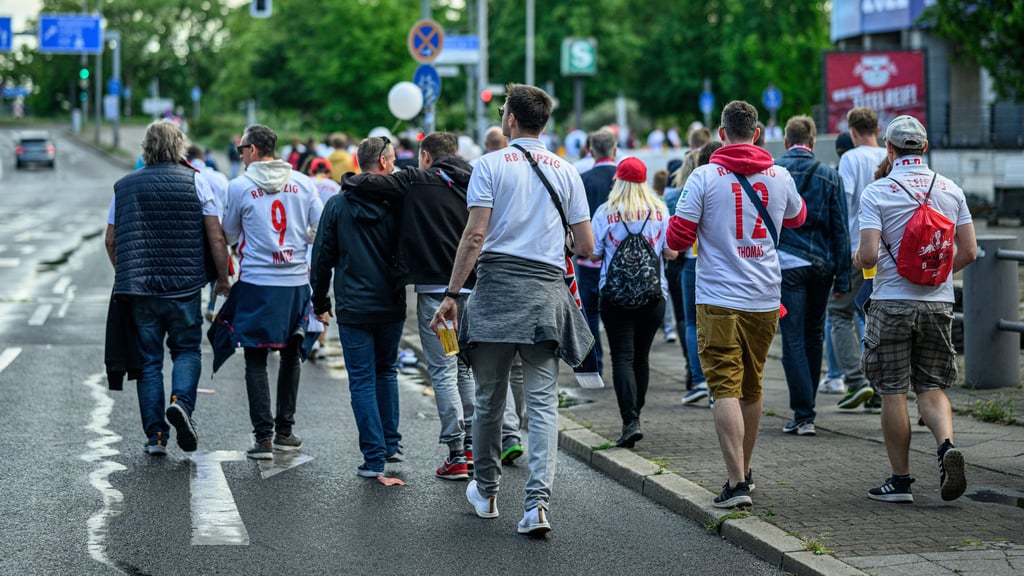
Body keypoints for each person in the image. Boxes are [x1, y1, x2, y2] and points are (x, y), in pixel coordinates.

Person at [430, 83, 595, 536]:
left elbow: (475, 236)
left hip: (497, 291)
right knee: (541, 406)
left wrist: (451, 293)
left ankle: (486, 492)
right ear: (543, 121)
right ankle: (537, 506)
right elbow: (585, 246)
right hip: (545, 295)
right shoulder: (567, 170)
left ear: (510, 120)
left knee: (488, 400)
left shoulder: (489, 166)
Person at [667, 101, 806, 508]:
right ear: (758, 133)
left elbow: (678, 237)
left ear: (722, 134)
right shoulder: (780, 176)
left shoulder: (704, 177)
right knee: (752, 385)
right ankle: (745, 468)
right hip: (765, 297)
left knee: (723, 386)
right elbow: (798, 218)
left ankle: (736, 482)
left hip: (718, 297)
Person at [338, 132, 479, 480]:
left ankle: (457, 452)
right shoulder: (476, 179)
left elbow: (369, 184)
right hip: (474, 291)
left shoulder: (417, 180)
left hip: (438, 295)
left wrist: (346, 180)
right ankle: (476, 445)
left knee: (444, 370)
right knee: (466, 368)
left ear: (427, 156)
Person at [855, 114, 976, 503]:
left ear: (889, 150)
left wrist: (859, 257)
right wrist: (938, 275)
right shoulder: (951, 189)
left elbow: (869, 253)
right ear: (924, 147)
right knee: (931, 386)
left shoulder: (877, 192)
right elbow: (970, 251)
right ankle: (945, 447)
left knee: (892, 391)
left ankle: (901, 482)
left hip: (891, 300)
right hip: (938, 303)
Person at [104, 120, 231, 455]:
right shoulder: (197, 182)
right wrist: (222, 278)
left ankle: (156, 437)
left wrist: (128, 273)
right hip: (185, 288)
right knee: (187, 350)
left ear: (146, 147)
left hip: (141, 289)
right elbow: (216, 235)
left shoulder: (124, 186)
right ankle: (181, 404)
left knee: (148, 362)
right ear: (180, 146)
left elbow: (111, 240)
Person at [218, 124, 323, 460]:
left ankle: (262, 438)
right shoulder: (304, 183)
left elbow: (230, 234)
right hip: (294, 281)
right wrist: (301, 239)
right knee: (293, 354)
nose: (241, 156)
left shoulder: (240, 186)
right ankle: (285, 431)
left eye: (241, 150)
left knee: (255, 358)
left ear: (253, 150)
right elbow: (321, 228)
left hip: (257, 281)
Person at [311, 136, 405, 478]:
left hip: (353, 304)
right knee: (386, 371)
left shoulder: (338, 205)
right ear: (382, 162)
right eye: (392, 160)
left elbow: (322, 256)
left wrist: (320, 300)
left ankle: (374, 455)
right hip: (391, 303)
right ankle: (390, 444)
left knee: (363, 379)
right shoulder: (399, 202)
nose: (394, 165)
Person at [590, 157, 677, 447]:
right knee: (641, 358)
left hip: (614, 298)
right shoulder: (659, 211)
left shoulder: (605, 212)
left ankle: (630, 421)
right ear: (644, 181)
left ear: (619, 180)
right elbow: (670, 253)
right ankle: (635, 414)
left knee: (622, 358)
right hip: (653, 297)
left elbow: (593, 254)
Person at [774, 116, 850, 437]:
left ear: (787, 140)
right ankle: (808, 410)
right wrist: (843, 278)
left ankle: (803, 414)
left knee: (791, 337)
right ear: (813, 141)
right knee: (814, 333)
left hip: (786, 265)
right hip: (822, 266)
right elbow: (840, 230)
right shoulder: (830, 175)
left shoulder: (773, 172)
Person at [833, 107, 889, 413]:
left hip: (858, 250)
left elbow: (843, 205)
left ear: (852, 132)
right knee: (878, 317)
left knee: (840, 312)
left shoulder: (850, 159)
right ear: (877, 129)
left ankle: (856, 381)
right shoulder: (887, 157)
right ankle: (883, 388)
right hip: (887, 253)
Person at [673, 141, 723, 407]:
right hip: (723, 264)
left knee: (694, 324)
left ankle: (698, 380)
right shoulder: (729, 183)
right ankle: (721, 386)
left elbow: (678, 234)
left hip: (694, 262)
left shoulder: (696, 183)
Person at [576, 128, 619, 376]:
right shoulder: (623, 179)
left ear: (591, 150)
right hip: (619, 261)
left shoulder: (585, 179)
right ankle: (621, 363)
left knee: (590, 313)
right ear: (614, 150)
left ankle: (595, 365)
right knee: (616, 316)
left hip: (590, 259)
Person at [187, 145, 231, 322]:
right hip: (217, 228)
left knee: (192, 272)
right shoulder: (219, 178)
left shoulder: (187, 177)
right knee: (217, 269)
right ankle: (213, 306)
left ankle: (193, 308)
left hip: (193, 232)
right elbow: (229, 204)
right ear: (203, 157)